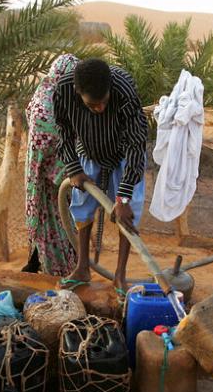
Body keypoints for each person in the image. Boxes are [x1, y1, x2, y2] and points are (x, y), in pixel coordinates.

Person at [54, 58, 148, 298]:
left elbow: (137, 144)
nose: (101, 109)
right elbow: (63, 132)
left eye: (104, 102)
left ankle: (119, 274)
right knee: (82, 207)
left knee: (127, 215)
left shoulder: (124, 89)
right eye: (92, 105)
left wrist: (124, 197)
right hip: (88, 153)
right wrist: (74, 168)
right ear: (78, 93)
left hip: (124, 156)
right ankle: (82, 268)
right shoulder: (64, 90)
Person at [22, 53, 79, 277]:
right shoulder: (44, 107)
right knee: (52, 228)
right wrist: (65, 170)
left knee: (65, 224)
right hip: (46, 182)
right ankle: (56, 275)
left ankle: (46, 267)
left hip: (62, 177)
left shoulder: (58, 97)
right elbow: (42, 147)